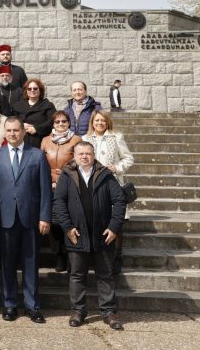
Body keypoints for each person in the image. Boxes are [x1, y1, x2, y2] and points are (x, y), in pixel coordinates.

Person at [53, 141, 126, 330]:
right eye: (81, 154)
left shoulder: (105, 175)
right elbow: (59, 202)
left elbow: (119, 201)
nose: (84, 156)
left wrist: (114, 226)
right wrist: (67, 227)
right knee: (77, 275)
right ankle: (78, 311)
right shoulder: (67, 175)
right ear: (74, 156)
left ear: (93, 155)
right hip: (76, 235)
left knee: (105, 275)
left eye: (88, 153)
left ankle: (109, 312)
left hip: (103, 235)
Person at [0, 117, 52, 324]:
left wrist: (44, 216)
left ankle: (32, 306)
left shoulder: (37, 155)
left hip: (30, 219)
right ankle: (10, 305)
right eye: (9, 130)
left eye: (16, 130)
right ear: (4, 132)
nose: (13, 134)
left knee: (31, 264)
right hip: (4, 219)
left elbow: (45, 190)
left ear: (24, 132)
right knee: (7, 264)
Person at [83, 110, 134, 274]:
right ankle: (98, 258)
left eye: (102, 120)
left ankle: (117, 257)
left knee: (116, 223)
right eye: (97, 120)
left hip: (113, 183)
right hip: (93, 186)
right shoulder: (85, 139)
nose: (99, 123)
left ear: (107, 122)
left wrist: (117, 167)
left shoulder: (116, 137)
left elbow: (128, 158)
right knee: (97, 220)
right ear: (92, 122)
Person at [41, 110, 83, 273]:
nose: (60, 124)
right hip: (49, 184)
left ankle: (70, 255)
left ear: (69, 123)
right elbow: (41, 162)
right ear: (53, 124)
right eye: (57, 122)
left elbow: (78, 161)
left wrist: (62, 178)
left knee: (68, 219)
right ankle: (59, 255)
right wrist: (49, 179)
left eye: (64, 122)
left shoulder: (76, 139)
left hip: (69, 183)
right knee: (53, 222)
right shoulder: (45, 141)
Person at [12, 78, 56, 149]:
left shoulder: (47, 105)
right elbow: (11, 121)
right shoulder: (18, 105)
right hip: (20, 141)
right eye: (29, 89)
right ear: (26, 91)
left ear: (40, 90)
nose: (32, 90)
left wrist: (37, 129)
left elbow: (53, 120)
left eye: (35, 88)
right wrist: (21, 125)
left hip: (39, 141)